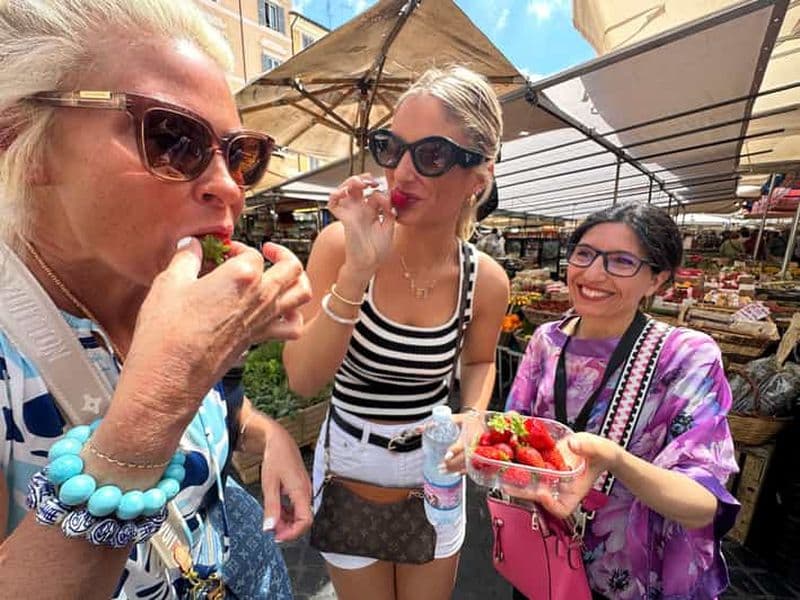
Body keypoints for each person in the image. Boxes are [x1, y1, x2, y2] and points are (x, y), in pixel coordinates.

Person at [0, 1, 313, 597]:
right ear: (21, 140)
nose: (228, 186)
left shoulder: (170, 295)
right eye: (173, 138)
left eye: (241, 155)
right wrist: (161, 396)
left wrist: (268, 434)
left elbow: (226, 411)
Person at [282, 65, 510, 600]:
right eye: (391, 147)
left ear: (477, 178)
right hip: (351, 459)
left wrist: (475, 416)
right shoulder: (340, 246)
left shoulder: (486, 280)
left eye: (430, 155)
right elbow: (303, 378)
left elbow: (479, 362)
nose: (401, 172)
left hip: (433, 465)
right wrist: (358, 270)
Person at [505, 203, 739, 599]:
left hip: (632, 578)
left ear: (657, 280)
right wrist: (477, 432)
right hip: (542, 558)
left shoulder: (683, 356)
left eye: (621, 261)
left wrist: (614, 460)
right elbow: (515, 433)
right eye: (584, 253)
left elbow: (703, 504)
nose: (593, 273)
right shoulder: (547, 340)